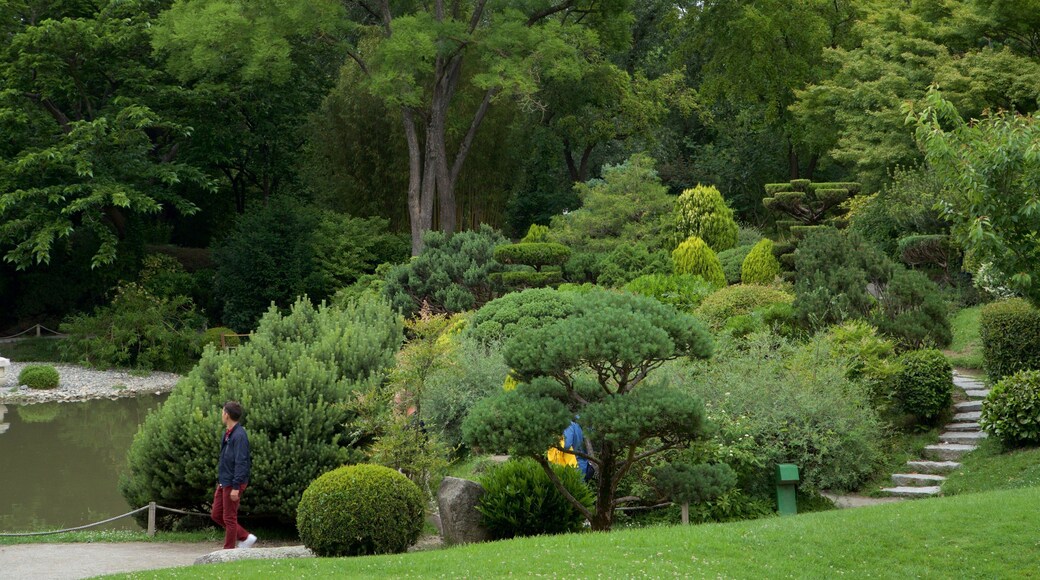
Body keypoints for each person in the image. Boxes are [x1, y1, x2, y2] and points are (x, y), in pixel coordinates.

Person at [210, 401, 256, 549]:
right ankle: (245, 537)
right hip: (225, 480)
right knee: (216, 514)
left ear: (227, 415)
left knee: (229, 518)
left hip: (233, 482)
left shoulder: (239, 435)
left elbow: (241, 462)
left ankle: (228, 551)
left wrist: (236, 486)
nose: (222, 415)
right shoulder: (227, 434)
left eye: (223, 412)